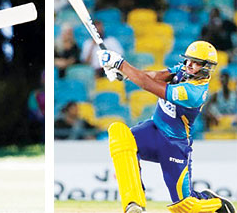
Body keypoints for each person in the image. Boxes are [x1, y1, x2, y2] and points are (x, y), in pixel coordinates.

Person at [98, 41, 235, 213]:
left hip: (174, 145)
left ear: (206, 67)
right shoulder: (184, 70)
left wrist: (121, 64)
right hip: (154, 130)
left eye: (196, 63)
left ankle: (216, 203)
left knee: (185, 207)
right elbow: (154, 76)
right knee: (119, 135)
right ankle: (134, 204)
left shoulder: (194, 93)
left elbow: (149, 85)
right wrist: (124, 74)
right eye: (188, 60)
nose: (189, 65)